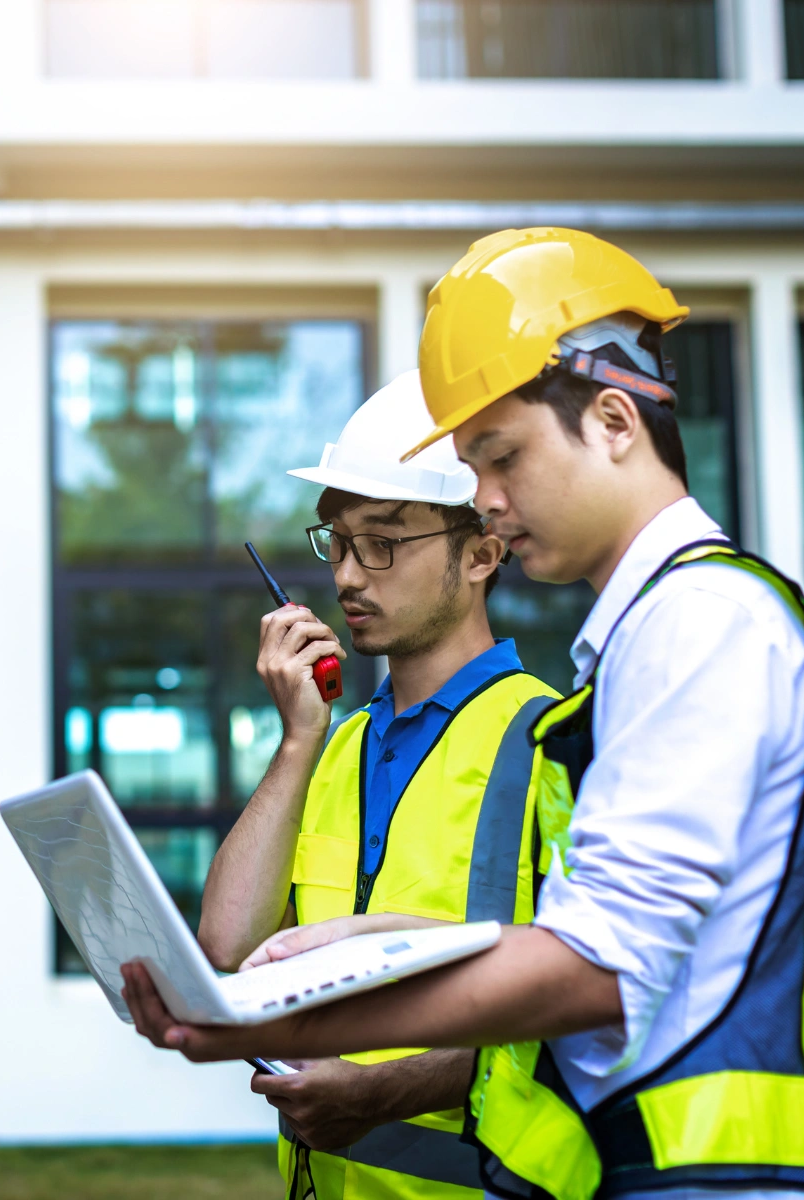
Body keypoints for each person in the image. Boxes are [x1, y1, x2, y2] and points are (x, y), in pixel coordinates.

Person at [120, 227, 804, 1200]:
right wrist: (372, 946)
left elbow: (597, 967)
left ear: (615, 420)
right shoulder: (652, 636)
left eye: (501, 457)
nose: (490, 500)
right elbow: (600, 940)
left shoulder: (701, 621)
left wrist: (287, 1021)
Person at [198, 370, 559, 1200]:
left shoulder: (552, 742)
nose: (349, 578)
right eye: (339, 543)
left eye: (384, 543)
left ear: (482, 553)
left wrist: (379, 1093)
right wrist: (299, 738)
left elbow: (573, 1012)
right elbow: (225, 947)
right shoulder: (334, 747)